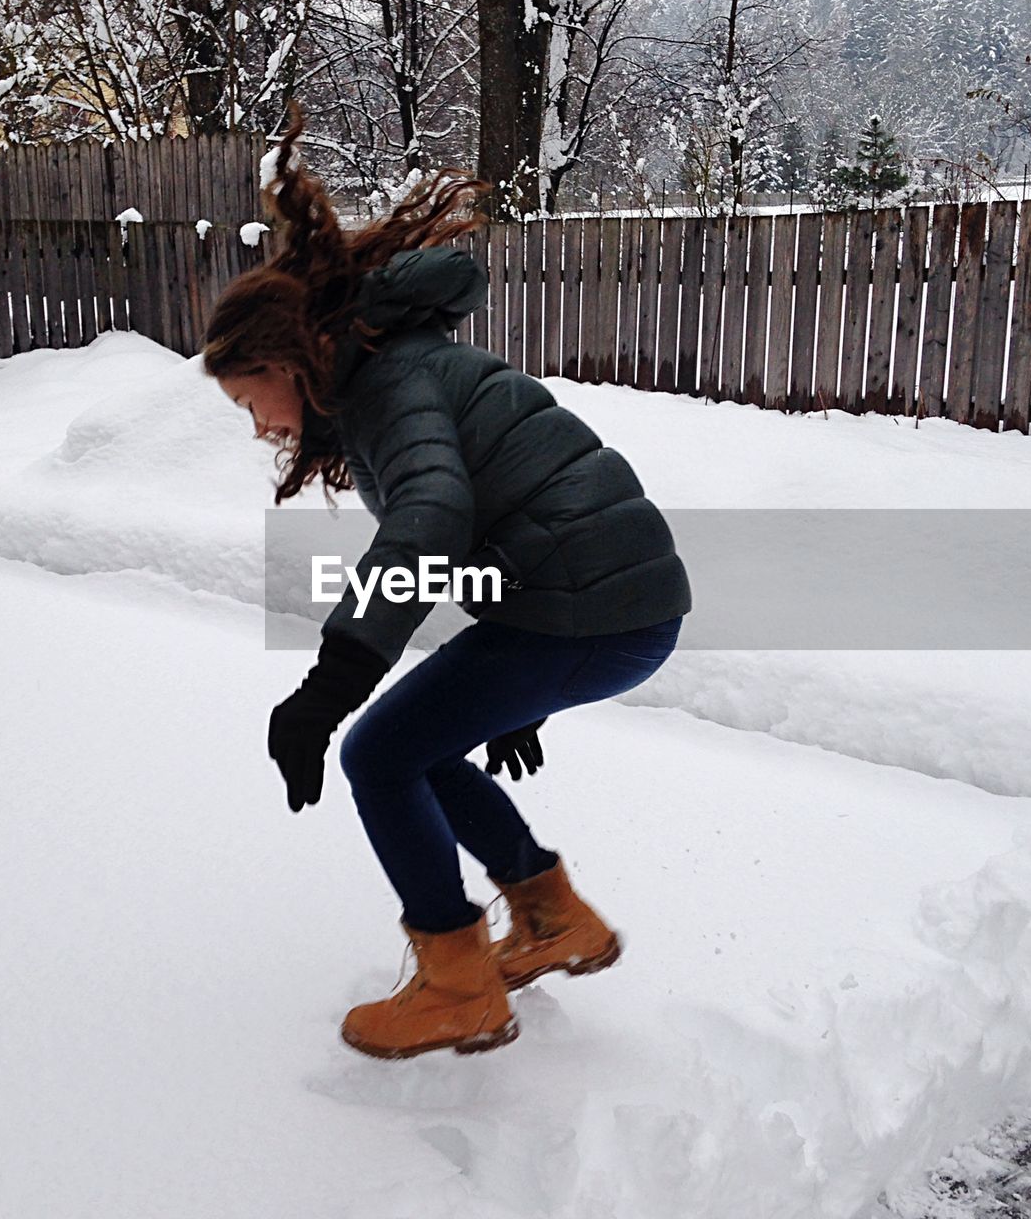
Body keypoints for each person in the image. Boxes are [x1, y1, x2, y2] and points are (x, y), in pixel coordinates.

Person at [200, 100, 691, 1061]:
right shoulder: (391, 372)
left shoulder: (392, 382)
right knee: (423, 747)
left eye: (248, 398)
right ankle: (555, 922)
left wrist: (327, 690)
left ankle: (461, 987)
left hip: (587, 613)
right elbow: (510, 517)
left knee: (378, 755)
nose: (258, 425)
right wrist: (516, 691)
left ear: (289, 360)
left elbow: (432, 523)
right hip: (605, 606)